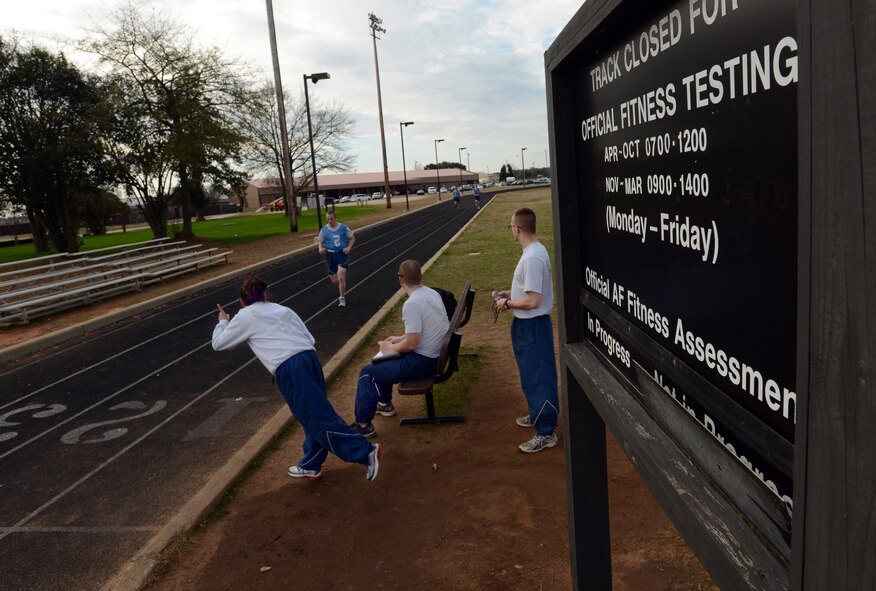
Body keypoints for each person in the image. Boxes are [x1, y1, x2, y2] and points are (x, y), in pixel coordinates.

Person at [212, 275, 381, 481]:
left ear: (242, 301)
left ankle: (365, 452)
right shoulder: (283, 310)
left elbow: (220, 343)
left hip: (290, 368)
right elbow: (309, 338)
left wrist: (223, 322)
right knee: (311, 414)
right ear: (264, 295)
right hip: (309, 358)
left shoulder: (245, 316)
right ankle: (311, 464)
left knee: (318, 416)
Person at [351, 260, 450, 438]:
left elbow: (412, 345)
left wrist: (390, 347)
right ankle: (384, 404)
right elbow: (424, 330)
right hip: (436, 354)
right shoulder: (431, 293)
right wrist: (400, 338)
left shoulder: (412, 304)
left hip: (425, 361)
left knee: (368, 372)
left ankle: (363, 425)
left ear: (401, 279)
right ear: (421, 276)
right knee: (382, 362)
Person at [493, 207, 560, 453]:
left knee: (538, 376)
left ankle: (546, 432)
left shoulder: (532, 257)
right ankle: (537, 413)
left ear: (518, 228)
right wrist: (511, 294)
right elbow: (530, 290)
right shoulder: (535, 251)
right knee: (530, 374)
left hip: (532, 325)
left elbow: (533, 301)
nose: (511, 229)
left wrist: (507, 304)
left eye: (511, 226)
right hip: (527, 325)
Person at [318, 211, 355, 307]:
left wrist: (348, 248)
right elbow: (320, 241)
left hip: (341, 254)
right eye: (328, 219)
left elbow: (352, 238)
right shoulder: (324, 230)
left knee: (341, 277)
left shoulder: (343, 227)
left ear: (335, 218)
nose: (330, 221)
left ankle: (342, 298)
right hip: (330, 255)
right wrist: (320, 248)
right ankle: (341, 279)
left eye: (331, 218)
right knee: (335, 280)